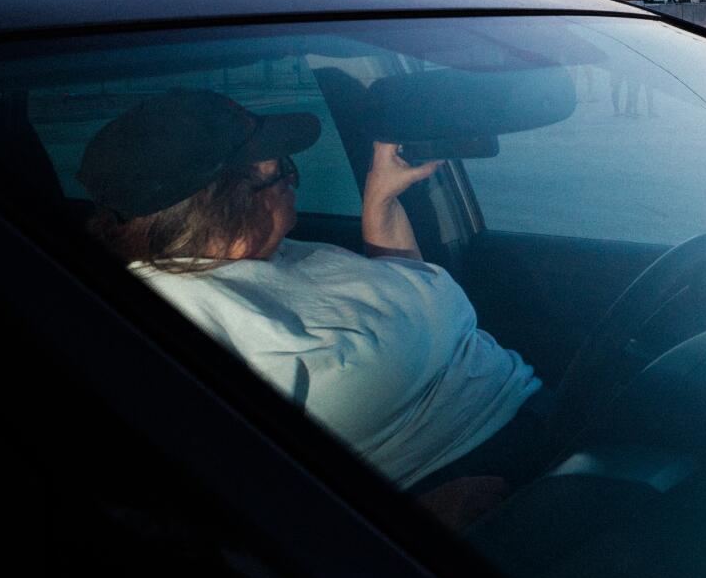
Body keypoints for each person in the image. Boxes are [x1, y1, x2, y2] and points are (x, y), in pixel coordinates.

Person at [77, 89, 542, 518]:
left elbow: (405, 293)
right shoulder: (167, 316)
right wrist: (423, 517)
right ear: (228, 201)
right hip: (458, 497)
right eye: (282, 170)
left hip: (533, 418)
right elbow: (212, 508)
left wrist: (380, 202)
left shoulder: (280, 250)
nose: (293, 181)